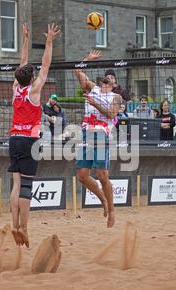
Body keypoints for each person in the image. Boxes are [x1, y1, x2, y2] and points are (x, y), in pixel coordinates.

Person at [8, 23, 61, 248]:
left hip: (14, 139)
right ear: (31, 78)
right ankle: (24, 228)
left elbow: (22, 64)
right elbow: (46, 65)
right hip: (30, 140)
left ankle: (13, 223)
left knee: (16, 184)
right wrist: (49, 41)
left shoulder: (15, 88)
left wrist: (26, 40)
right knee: (27, 186)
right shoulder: (34, 90)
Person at [74, 49, 123, 229]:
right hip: (87, 133)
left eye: (112, 78)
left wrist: (95, 104)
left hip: (101, 135)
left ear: (114, 84)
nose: (108, 79)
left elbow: (111, 114)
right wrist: (87, 58)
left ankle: (111, 211)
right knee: (82, 176)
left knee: (102, 175)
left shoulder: (116, 97)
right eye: (107, 77)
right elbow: (78, 71)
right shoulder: (92, 88)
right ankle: (102, 199)